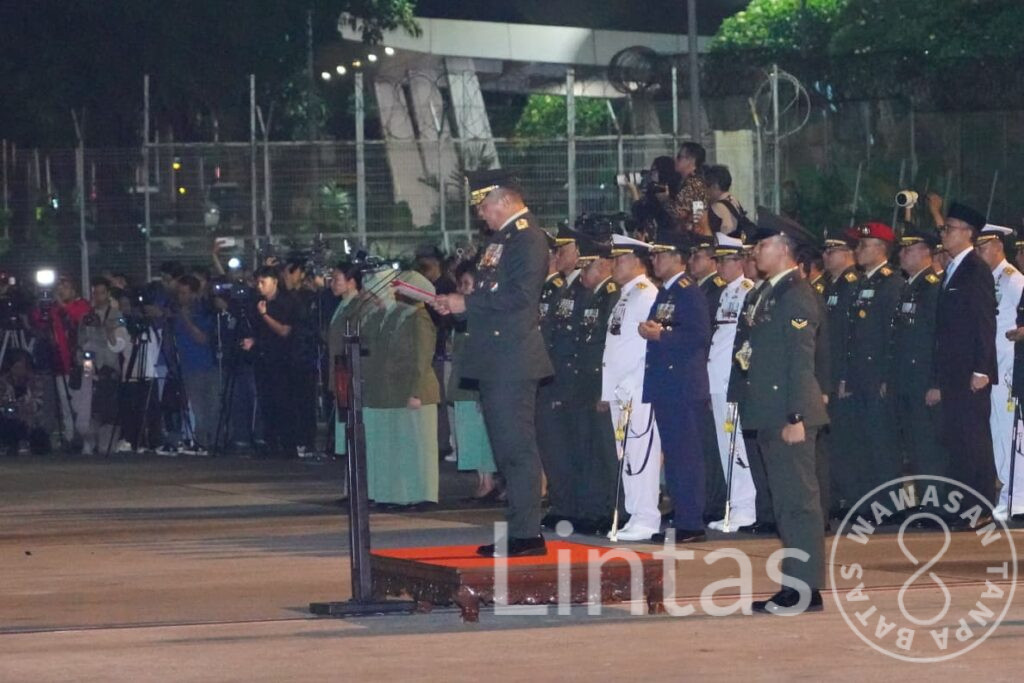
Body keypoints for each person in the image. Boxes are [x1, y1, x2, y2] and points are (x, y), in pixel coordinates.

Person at [432, 170, 553, 558]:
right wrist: (459, 307)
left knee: (516, 448)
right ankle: (519, 528)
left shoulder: (528, 238)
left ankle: (526, 533)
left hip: (512, 359)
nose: (480, 214)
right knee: (505, 449)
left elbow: (521, 297)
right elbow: (489, 293)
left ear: (504, 200)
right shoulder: (502, 239)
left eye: (483, 206)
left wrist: (467, 303)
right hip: (495, 357)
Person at [738, 212, 828, 615]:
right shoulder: (768, 292)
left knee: (799, 504)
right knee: (783, 504)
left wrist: (796, 416)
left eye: (763, 244)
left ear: (785, 248)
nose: (756, 251)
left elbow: (799, 360)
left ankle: (805, 588)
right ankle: (794, 584)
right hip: (768, 410)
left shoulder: (796, 294)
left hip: (788, 414)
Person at [639, 231, 711, 544]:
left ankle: (691, 523)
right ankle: (682, 516)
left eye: (661, 255)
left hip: (682, 385)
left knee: (686, 456)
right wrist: (649, 329)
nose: (655, 260)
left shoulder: (687, 291)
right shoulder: (666, 292)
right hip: (667, 385)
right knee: (675, 454)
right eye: (654, 255)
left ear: (678, 258)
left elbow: (698, 336)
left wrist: (661, 336)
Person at [928, 202, 998, 513]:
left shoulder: (975, 270)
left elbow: (984, 321)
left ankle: (978, 505)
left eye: (950, 228)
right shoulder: (953, 269)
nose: (944, 233)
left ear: (968, 233)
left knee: (972, 439)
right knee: (956, 438)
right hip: (952, 371)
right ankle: (960, 504)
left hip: (970, 372)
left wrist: (982, 369)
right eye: (944, 228)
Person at [361, 270, 440, 508]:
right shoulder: (394, 315)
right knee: (400, 447)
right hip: (393, 390)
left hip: (414, 390)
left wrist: (416, 392)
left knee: (419, 448)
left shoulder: (419, 318)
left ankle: (424, 495)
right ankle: (398, 495)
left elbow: (422, 358)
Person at [885, 229, 948, 517]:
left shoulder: (932, 287)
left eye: (908, 249)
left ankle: (936, 505)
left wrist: (936, 382)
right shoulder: (909, 286)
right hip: (906, 380)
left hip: (923, 380)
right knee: (913, 444)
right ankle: (925, 501)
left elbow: (938, 339)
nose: (902, 254)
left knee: (927, 445)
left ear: (926, 252)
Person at [841, 222, 903, 508]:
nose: (858, 250)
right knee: (862, 441)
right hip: (859, 375)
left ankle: (888, 504)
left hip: (877, 375)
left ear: (881, 249)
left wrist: (887, 376)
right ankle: (867, 501)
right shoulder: (863, 282)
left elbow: (892, 336)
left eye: (864, 245)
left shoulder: (891, 283)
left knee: (882, 442)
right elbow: (853, 334)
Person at [603, 234, 661, 542]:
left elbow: (651, 344)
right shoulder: (625, 295)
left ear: (638, 262)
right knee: (626, 454)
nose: (614, 264)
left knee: (641, 453)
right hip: (620, 389)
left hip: (636, 389)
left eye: (620, 259)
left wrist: (635, 381)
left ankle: (647, 517)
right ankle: (634, 513)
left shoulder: (646, 294)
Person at [568, 231, 621, 535]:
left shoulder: (611, 294)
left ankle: (614, 510)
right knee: (589, 452)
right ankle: (595, 509)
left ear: (602, 265)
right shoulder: (590, 295)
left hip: (600, 382)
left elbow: (609, 346)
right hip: (586, 382)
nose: (582, 273)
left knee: (607, 453)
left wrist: (606, 389)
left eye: (586, 266)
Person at [705, 234, 757, 531]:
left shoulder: (747, 291)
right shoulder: (725, 293)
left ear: (740, 262)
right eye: (719, 260)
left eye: (725, 260)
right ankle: (734, 505)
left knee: (737, 447)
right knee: (726, 445)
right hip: (717, 378)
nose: (720, 266)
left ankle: (745, 507)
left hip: (731, 378)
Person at [974, 223, 1024, 519]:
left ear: (997, 247)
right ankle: (1007, 491)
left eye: (983, 248)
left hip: (1008, 366)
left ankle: (1015, 495)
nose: (979, 253)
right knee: (997, 431)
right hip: (993, 366)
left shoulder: (1013, 280)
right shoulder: (990, 279)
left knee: (1009, 432)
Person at [537, 223, 583, 528]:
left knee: (561, 447)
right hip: (548, 376)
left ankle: (567, 504)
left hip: (560, 378)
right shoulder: (554, 288)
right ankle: (561, 501)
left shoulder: (560, 289)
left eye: (561, 250)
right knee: (552, 447)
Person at [242, 266, 304, 458]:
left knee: (283, 402)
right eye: (258, 282)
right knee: (266, 402)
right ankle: (271, 442)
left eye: (264, 282)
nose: (260, 286)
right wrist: (253, 341)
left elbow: (284, 331)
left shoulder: (287, 302)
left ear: (275, 281)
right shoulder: (256, 302)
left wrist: (265, 315)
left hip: (283, 360)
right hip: (263, 358)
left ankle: (288, 444)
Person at [448, 261, 497, 501]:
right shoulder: (462, 317)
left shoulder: (485, 316)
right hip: (463, 383)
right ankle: (481, 480)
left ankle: (488, 481)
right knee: (469, 434)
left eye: (467, 284)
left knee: (482, 436)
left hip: (477, 385)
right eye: (461, 284)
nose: (463, 289)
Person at [820, 231, 860, 514]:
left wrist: (845, 375)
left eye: (831, 251)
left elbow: (850, 336)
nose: (825, 256)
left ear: (847, 254)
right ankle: (834, 495)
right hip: (828, 374)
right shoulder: (829, 286)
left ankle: (850, 496)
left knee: (846, 440)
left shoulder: (852, 285)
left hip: (842, 375)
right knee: (831, 440)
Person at [29, 276, 91, 449]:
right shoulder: (54, 309)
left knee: (82, 403)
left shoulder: (82, 305)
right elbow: (38, 320)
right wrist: (41, 302)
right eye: (59, 287)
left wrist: (61, 305)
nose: (61, 290)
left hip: (82, 364)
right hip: (61, 363)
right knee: (65, 404)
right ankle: (70, 438)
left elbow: (76, 317)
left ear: (74, 290)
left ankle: (85, 439)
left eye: (65, 287)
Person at [172, 275, 219, 454]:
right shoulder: (176, 315)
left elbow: (202, 338)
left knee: (212, 406)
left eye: (185, 293)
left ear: (194, 293)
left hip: (207, 365)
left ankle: (214, 441)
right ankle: (202, 442)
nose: (181, 297)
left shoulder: (203, 311)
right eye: (179, 293)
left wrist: (187, 320)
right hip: (189, 367)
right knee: (198, 408)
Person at [326, 261, 365, 463]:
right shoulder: (342, 304)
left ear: (351, 282)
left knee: (350, 413)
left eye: (336, 279)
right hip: (339, 367)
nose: (332, 283)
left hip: (348, 368)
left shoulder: (356, 305)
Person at [0, 349, 50, 455]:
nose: (19, 370)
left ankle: (26, 443)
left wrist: (21, 407)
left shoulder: (35, 381)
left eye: (22, 366)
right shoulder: (3, 382)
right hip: (7, 420)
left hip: (30, 420)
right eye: (16, 367)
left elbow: (38, 402)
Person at [627, 156, 685, 241]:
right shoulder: (653, 190)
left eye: (654, 170)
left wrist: (634, 192)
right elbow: (641, 213)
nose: (651, 174)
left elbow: (640, 212)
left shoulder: (677, 192)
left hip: (670, 238)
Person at [704, 165, 753, 239]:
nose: (705, 191)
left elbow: (710, 234)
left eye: (707, 187)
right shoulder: (733, 200)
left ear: (715, 186)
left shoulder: (717, 207)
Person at [674, 142, 710, 234]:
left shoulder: (693, 184)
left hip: (695, 237)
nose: (675, 160)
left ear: (691, 160)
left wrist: (664, 200)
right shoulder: (692, 182)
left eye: (679, 157)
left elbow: (678, 213)